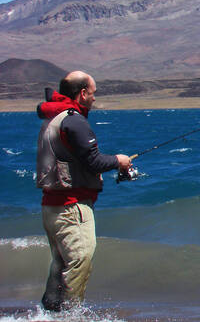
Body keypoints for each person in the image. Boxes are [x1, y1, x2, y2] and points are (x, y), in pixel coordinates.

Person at [35, 70, 131, 311]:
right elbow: (94, 161)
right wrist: (119, 160)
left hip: (51, 206)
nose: (95, 98)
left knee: (61, 263)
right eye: (93, 93)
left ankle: (49, 312)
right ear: (82, 93)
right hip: (71, 206)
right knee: (80, 260)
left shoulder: (53, 118)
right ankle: (70, 313)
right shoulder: (74, 120)